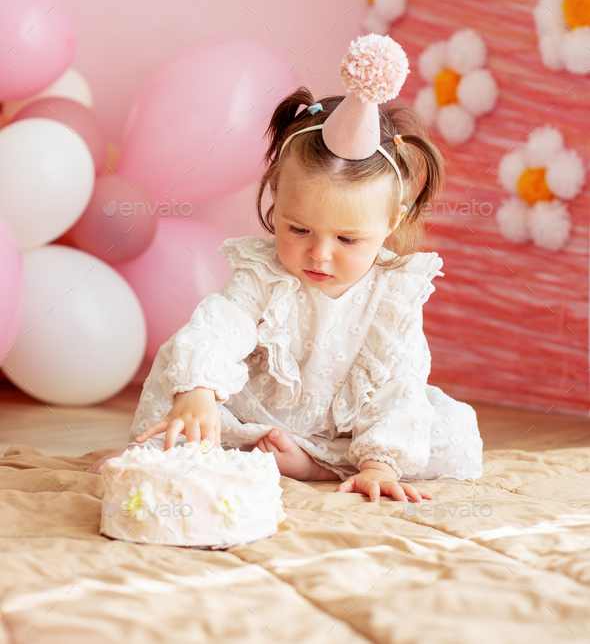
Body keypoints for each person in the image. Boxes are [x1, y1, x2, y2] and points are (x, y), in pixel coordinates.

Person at [89, 34, 483, 503]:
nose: (319, 254)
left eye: (347, 239)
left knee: (449, 439)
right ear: (277, 199)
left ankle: (317, 465)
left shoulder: (392, 295)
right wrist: (198, 390)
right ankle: (211, 444)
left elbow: (397, 383)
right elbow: (220, 327)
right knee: (188, 390)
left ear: (392, 221)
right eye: (298, 230)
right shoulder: (265, 274)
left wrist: (379, 463)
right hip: (255, 411)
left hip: (342, 425)